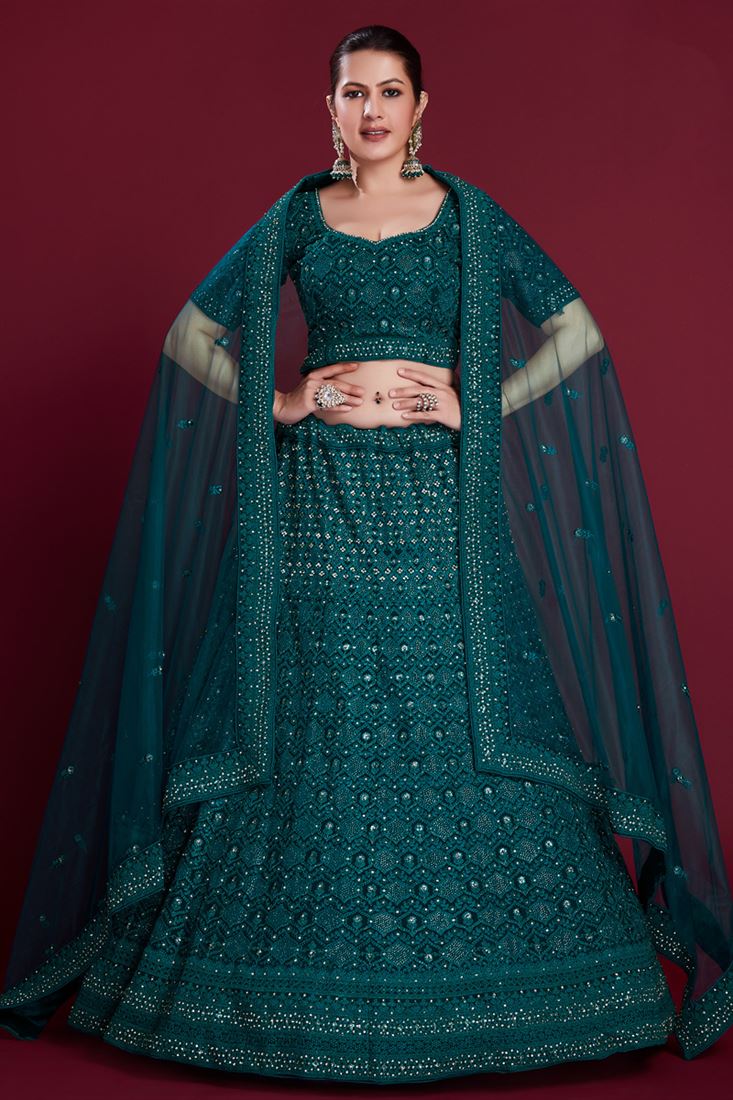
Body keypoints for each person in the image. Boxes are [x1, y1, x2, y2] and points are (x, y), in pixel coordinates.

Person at [1, 22, 731, 1085]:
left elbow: (575, 332)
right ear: (331, 110)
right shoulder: (297, 217)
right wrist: (282, 400)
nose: (373, 111)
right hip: (317, 505)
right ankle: (272, 1002)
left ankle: (529, 1001)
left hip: (439, 509)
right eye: (354, 93)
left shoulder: (469, 218)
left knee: (456, 706)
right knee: (315, 704)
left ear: (420, 107)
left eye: (390, 92)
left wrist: (477, 402)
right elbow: (191, 337)